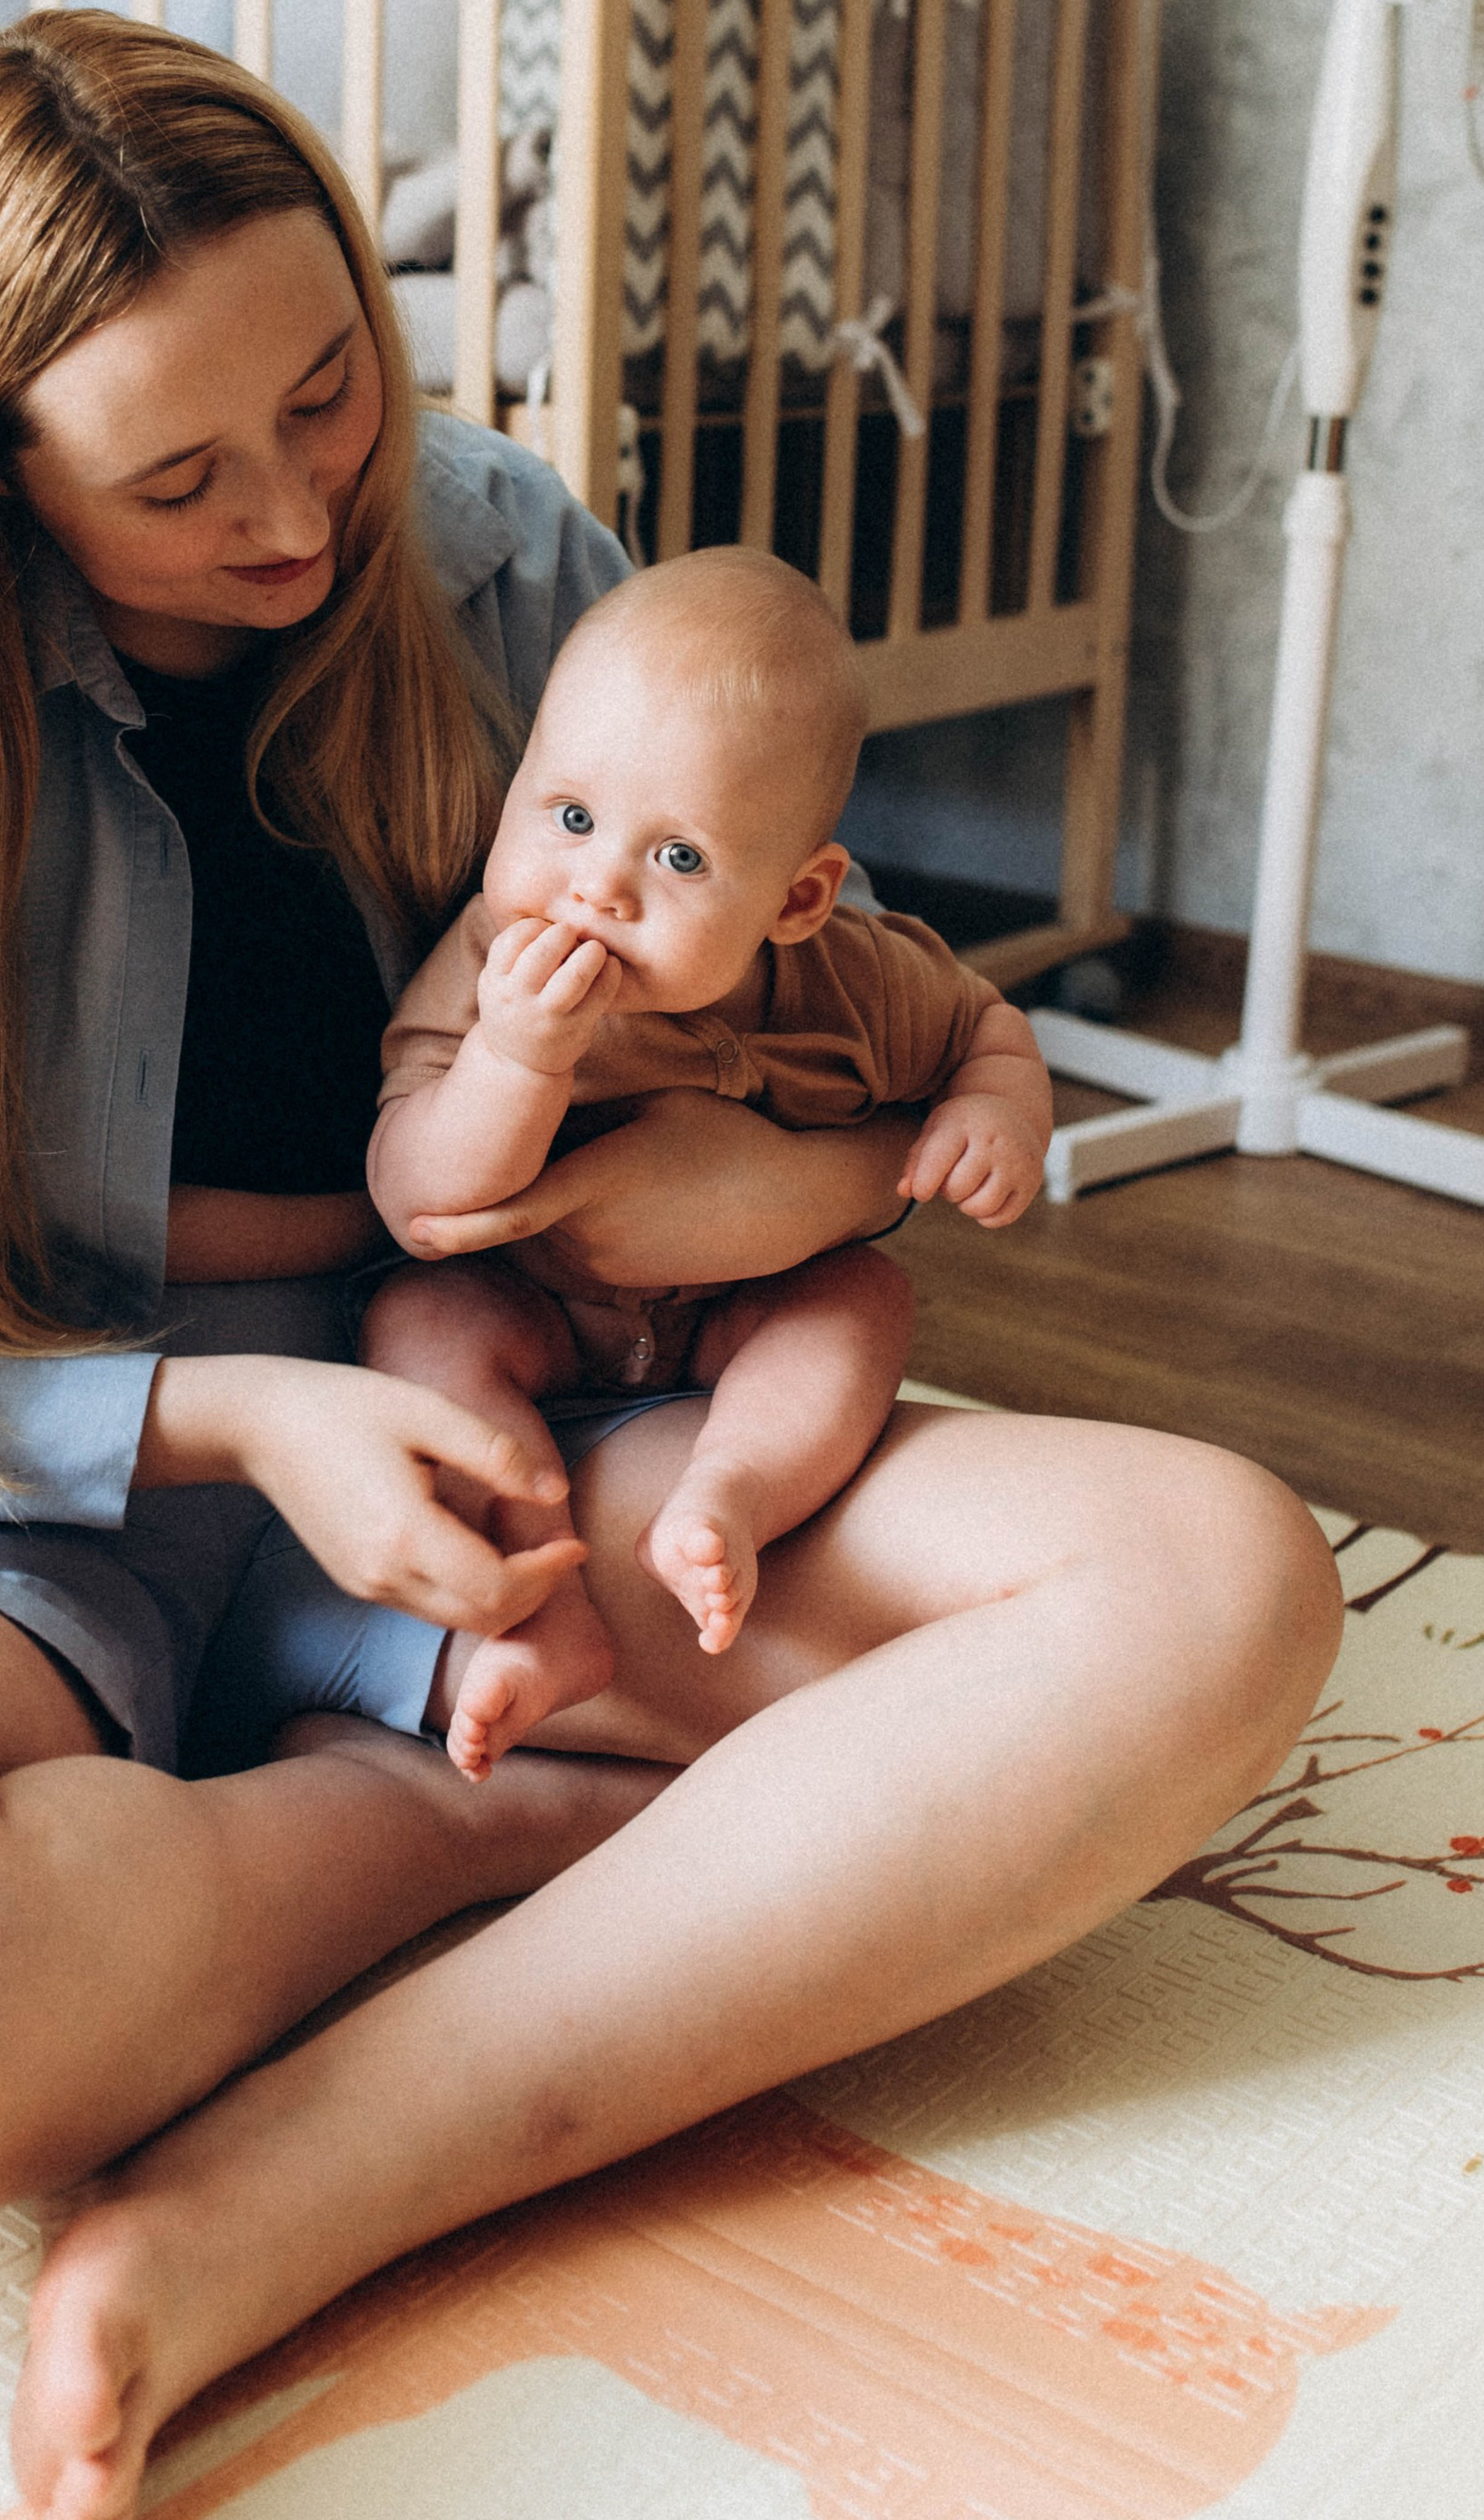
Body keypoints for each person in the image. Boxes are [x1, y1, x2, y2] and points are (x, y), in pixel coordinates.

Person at [0, 11, 1342, 2520]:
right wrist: (223, 1430)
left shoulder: (495, 553)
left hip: (494, 1426)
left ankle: (317, 2175)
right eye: (178, 475)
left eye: (329, 395)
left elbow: (819, 979)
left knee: (1210, 1583)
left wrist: (778, 1180)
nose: (296, 515)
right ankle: (430, 1831)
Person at [363, 546, 1053, 1779]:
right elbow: (420, 1197)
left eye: (678, 858)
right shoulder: (492, 960)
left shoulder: (859, 976)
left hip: (737, 1317)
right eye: (569, 819)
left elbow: (985, 1026)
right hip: (531, 1310)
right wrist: (517, 1061)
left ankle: (732, 1492)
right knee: (420, 1323)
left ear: (798, 899)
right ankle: (540, 1601)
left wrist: (995, 1113)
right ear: (514, 793)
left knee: (857, 1302)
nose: (598, 887)